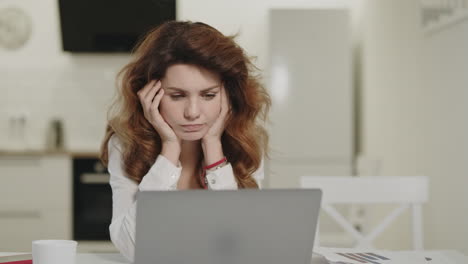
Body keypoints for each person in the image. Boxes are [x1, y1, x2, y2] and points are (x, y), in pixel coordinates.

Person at [100, 20, 271, 261]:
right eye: (177, 96)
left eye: (208, 95)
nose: (192, 112)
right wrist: (169, 150)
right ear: (150, 95)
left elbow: (240, 245)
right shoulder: (125, 143)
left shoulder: (247, 143)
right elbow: (133, 249)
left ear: (230, 96)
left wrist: (214, 149)